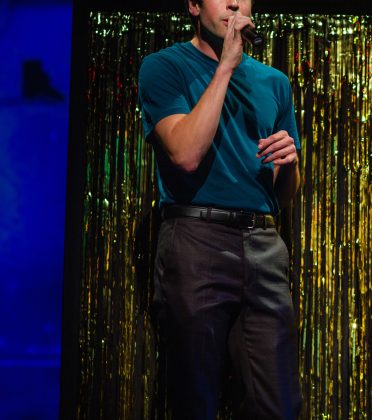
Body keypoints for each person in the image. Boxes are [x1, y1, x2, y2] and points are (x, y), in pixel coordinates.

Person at [137, 0, 302, 418]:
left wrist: (290, 164)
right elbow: (186, 154)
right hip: (196, 240)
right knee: (195, 395)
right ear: (193, 5)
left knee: (277, 402)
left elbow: (280, 196)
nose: (234, 3)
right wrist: (226, 66)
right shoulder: (164, 67)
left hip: (262, 242)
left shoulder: (274, 82)